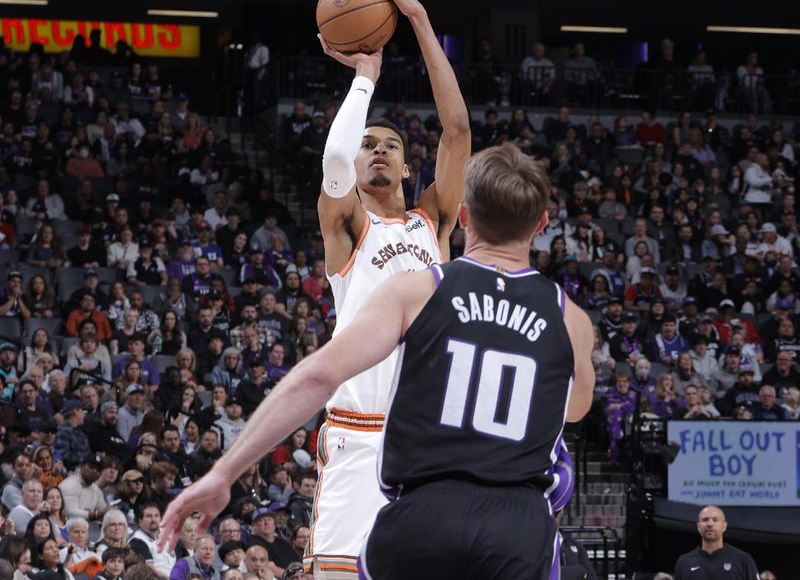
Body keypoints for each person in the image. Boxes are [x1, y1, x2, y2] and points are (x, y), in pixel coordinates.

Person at [159, 140, 594, 580]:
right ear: (541, 223)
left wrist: (224, 471)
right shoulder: (571, 320)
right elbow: (575, 407)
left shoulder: (419, 289)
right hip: (518, 525)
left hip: (425, 513)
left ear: (464, 217)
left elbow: (319, 376)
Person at [302, 0, 470, 574]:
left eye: (388, 145)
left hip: (431, 438)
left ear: (405, 164)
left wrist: (420, 19)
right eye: (368, 143)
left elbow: (456, 131)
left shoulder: (434, 222)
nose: (374, 151)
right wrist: (364, 78)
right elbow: (334, 163)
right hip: (359, 432)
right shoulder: (347, 229)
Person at [673, 505, 759, 580]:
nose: (710, 524)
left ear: (724, 526)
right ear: (698, 527)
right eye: (705, 520)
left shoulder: (743, 560)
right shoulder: (684, 562)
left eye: (715, 520)